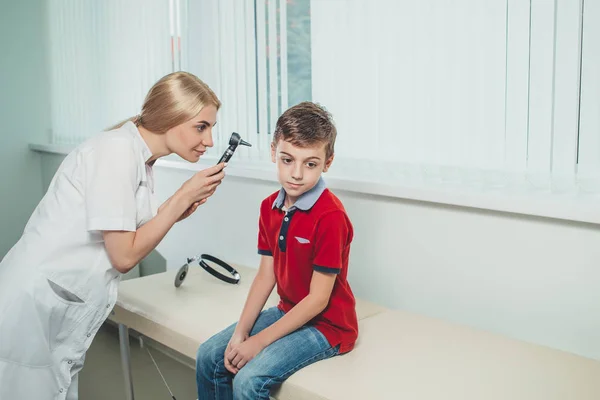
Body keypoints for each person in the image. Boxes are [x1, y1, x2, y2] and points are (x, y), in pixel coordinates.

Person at [0, 71, 226, 400]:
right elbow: (124, 256)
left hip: (54, 307)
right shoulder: (117, 151)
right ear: (170, 116)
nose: (209, 142)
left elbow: (128, 236)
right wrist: (179, 200)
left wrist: (176, 210)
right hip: (32, 312)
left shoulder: (138, 158)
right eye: (201, 127)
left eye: (211, 129)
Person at [196, 102, 359, 399]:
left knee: (249, 380)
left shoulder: (330, 216)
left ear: (328, 162)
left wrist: (257, 344)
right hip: (288, 310)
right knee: (209, 356)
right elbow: (264, 277)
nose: (296, 174)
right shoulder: (269, 207)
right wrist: (241, 334)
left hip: (328, 326)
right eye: (287, 160)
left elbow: (319, 299)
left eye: (310, 164)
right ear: (273, 152)